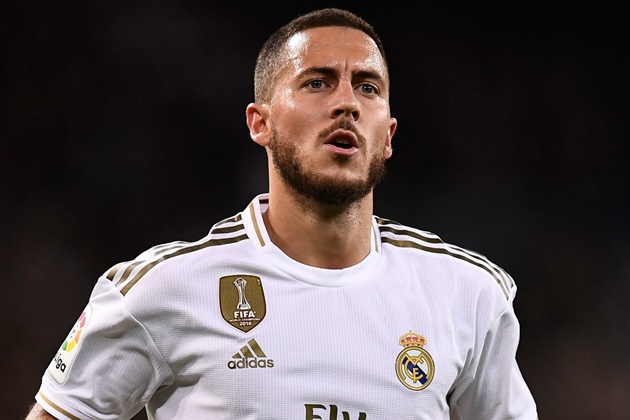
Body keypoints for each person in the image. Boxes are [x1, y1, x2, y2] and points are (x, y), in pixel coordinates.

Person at [25, 7, 538, 420]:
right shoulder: (162, 288)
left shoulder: (468, 294)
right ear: (260, 123)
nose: (347, 103)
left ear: (388, 136)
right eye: (317, 82)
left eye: (368, 86)